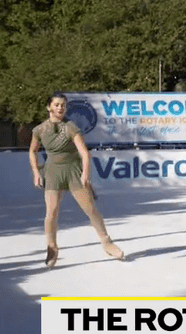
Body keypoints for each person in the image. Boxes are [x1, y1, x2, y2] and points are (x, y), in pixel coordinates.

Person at [29, 93, 125, 268]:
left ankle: (107, 242)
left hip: (73, 171)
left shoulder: (71, 127)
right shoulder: (40, 130)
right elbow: (32, 151)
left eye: (63, 105)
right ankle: (52, 247)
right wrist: (36, 172)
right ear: (49, 107)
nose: (60, 108)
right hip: (52, 173)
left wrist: (85, 173)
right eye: (57, 105)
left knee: (90, 209)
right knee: (51, 212)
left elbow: (84, 153)